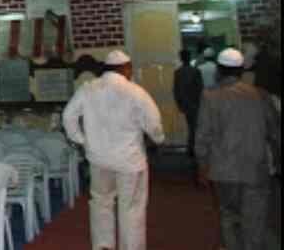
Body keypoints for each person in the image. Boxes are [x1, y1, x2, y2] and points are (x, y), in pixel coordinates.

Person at [62, 49, 165, 250]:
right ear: (126, 68)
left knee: (101, 203)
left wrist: (82, 141)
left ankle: (103, 246)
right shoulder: (136, 91)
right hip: (130, 161)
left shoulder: (88, 89)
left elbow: (68, 117)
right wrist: (158, 139)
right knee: (131, 208)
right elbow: (153, 124)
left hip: (99, 159)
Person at [195, 47, 281, 250]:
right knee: (255, 220)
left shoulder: (210, 96)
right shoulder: (261, 95)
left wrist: (202, 166)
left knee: (228, 216)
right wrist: (277, 159)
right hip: (256, 168)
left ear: (219, 70)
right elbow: (275, 132)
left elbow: (203, 135)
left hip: (223, 171)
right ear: (242, 71)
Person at [173, 48, 204, 158]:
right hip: (195, 103)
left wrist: (179, 104)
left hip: (184, 103)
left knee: (191, 127)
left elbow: (176, 90)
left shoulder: (178, 72)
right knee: (194, 127)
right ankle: (193, 148)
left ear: (181, 58)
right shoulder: (195, 71)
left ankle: (191, 148)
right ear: (189, 58)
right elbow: (200, 88)